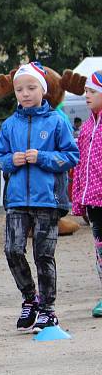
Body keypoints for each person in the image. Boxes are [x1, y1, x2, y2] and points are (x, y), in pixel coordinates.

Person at [0, 62, 78, 333]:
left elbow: (71, 156)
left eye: (31, 88)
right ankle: (30, 299)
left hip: (48, 200)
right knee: (12, 249)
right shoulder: (9, 125)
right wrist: (10, 161)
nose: (25, 93)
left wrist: (43, 158)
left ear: (43, 90)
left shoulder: (56, 121)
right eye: (19, 89)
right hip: (17, 200)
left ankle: (48, 310)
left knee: (44, 255)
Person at [71, 71, 102, 317]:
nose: (86, 95)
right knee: (100, 247)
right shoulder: (87, 127)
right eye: (86, 91)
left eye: (92, 92)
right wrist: (79, 198)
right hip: (93, 200)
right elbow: (80, 166)